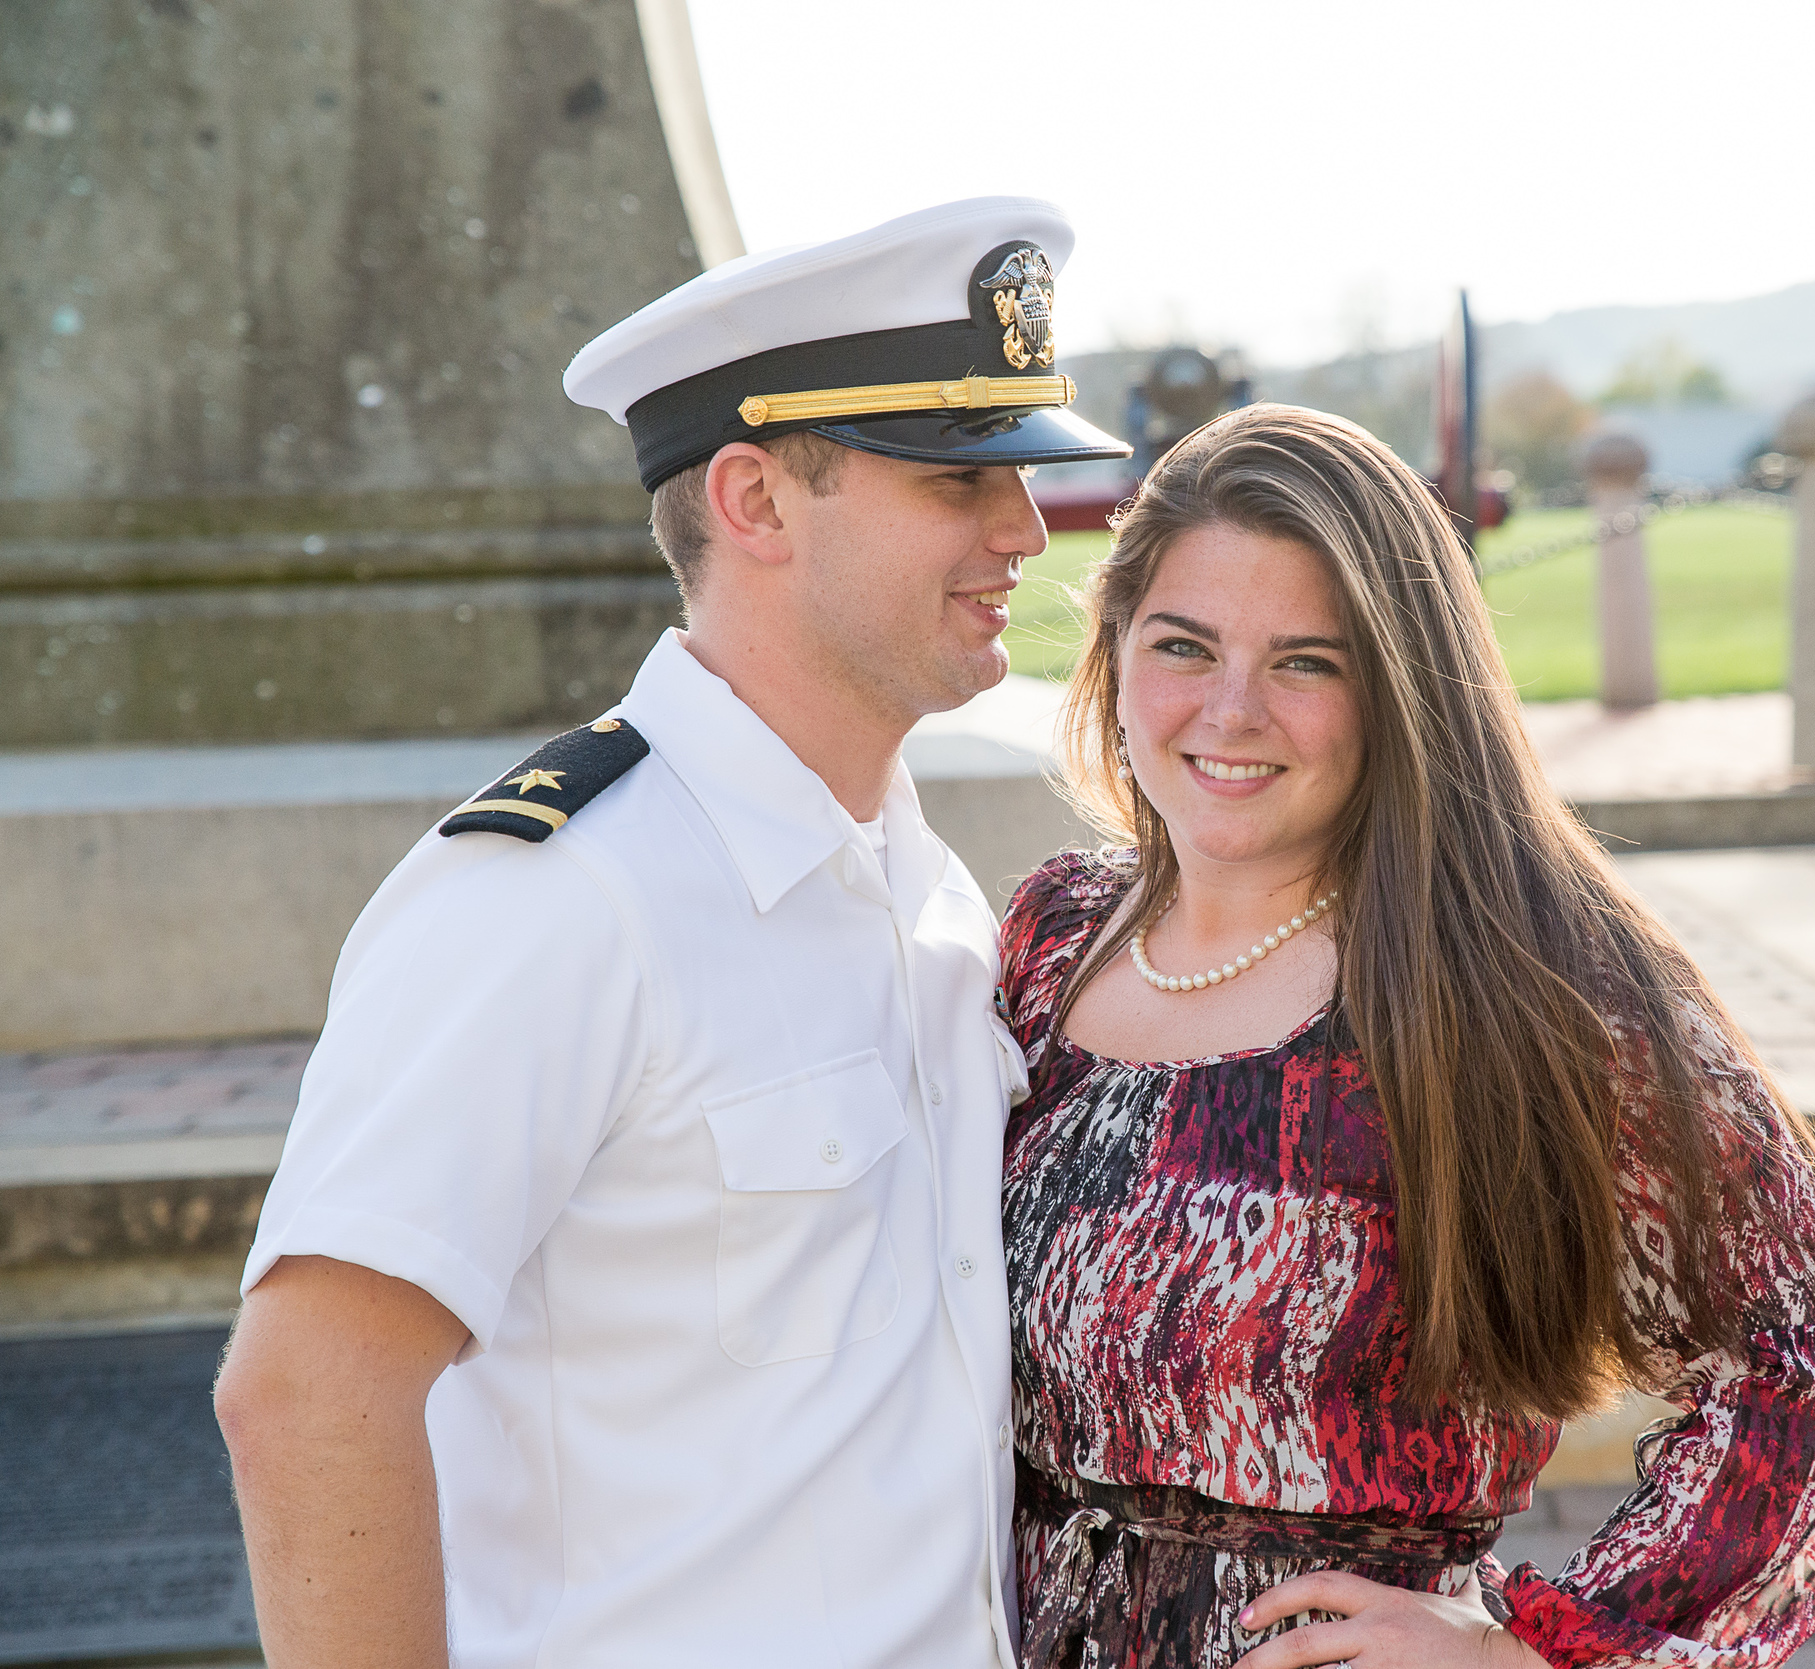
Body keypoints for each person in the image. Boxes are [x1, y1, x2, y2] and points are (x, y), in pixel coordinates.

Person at [214, 198, 1131, 1669]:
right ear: (756, 501)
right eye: (959, 480)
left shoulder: (930, 890)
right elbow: (310, 1390)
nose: (1024, 529)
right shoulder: (554, 898)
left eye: (1021, 478)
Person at [996, 404, 1815, 1668]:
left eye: (1308, 661)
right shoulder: (1053, 936)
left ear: (1397, 689)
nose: (1232, 709)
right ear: (1113, 649)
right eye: (1183, 646)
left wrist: (1536, 1652)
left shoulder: (1519, 978)